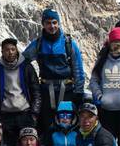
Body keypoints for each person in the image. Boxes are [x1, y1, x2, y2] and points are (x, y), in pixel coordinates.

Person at [23, 8, 86, 136]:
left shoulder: (68, 44)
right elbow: (23, 61)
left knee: (67, 124)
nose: (52, 26)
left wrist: (79, 92)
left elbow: (78, 69)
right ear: (43, 24)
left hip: (67, 91)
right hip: (45, 92)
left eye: (54, 22)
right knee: (46, 126)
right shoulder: (38, 44)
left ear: (58, 23)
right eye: (48, 23)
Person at [0, 38, 41, 146]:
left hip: (25, 114)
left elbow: (36, 90)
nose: (10, 52)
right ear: (2, 52)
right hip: (5, 116)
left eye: (13, 49)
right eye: (7, 50)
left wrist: (34, 113)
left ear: (17, 50)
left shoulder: (26, 67)